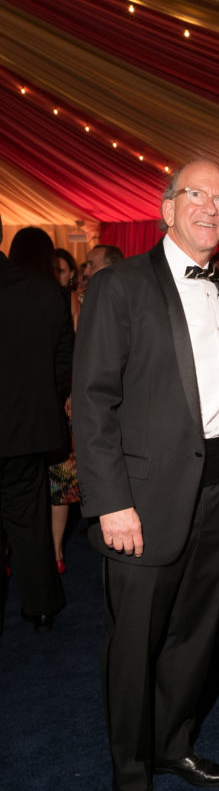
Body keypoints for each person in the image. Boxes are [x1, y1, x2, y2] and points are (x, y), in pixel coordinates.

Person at [72, 160, 219, 791]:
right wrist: (110, 500)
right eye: (195, 194)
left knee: (193, 631)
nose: (210, 207)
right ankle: (131, 776)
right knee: (135, 642)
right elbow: (93, 403)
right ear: (166, 206)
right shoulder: (120, 286)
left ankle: (172, 743)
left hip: (215, 485)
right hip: (141, 500)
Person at [1, 223, 73, 631]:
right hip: (28, 430)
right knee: (30, 524)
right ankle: (42, 607)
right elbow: (63, 361)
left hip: (24, 427)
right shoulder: (47, 292)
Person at [51, 248, 81, 573]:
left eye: (62, 270)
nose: (58, 275)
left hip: (69, 396)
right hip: (46, 397)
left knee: (62, 477)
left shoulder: (76, 302)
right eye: (53, 270)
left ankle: (56, 549)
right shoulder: (41, 301)